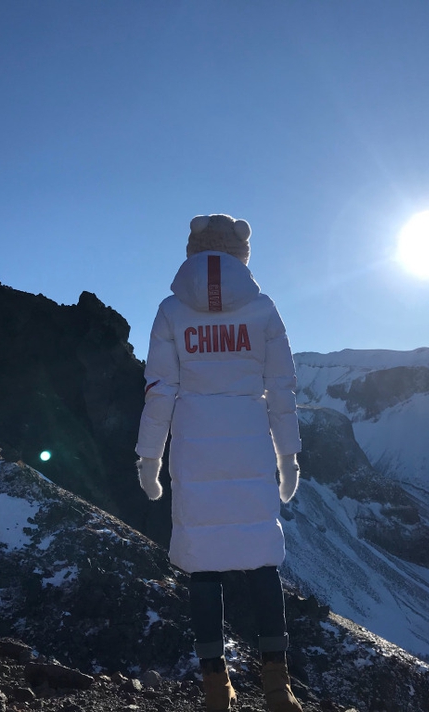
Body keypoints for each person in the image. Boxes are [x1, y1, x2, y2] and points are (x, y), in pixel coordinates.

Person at [135, 214, 303, 712]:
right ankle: (277, 687)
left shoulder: (170, 311)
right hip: (250, 449)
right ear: (241, 254)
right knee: (261, 564)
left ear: (193, 250)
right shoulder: (264, 310)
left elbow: (159, 390)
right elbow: (282, 391)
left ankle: (215, 689)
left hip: (194, 451)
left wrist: (150, 455)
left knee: (203, 569)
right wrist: (288, 454)